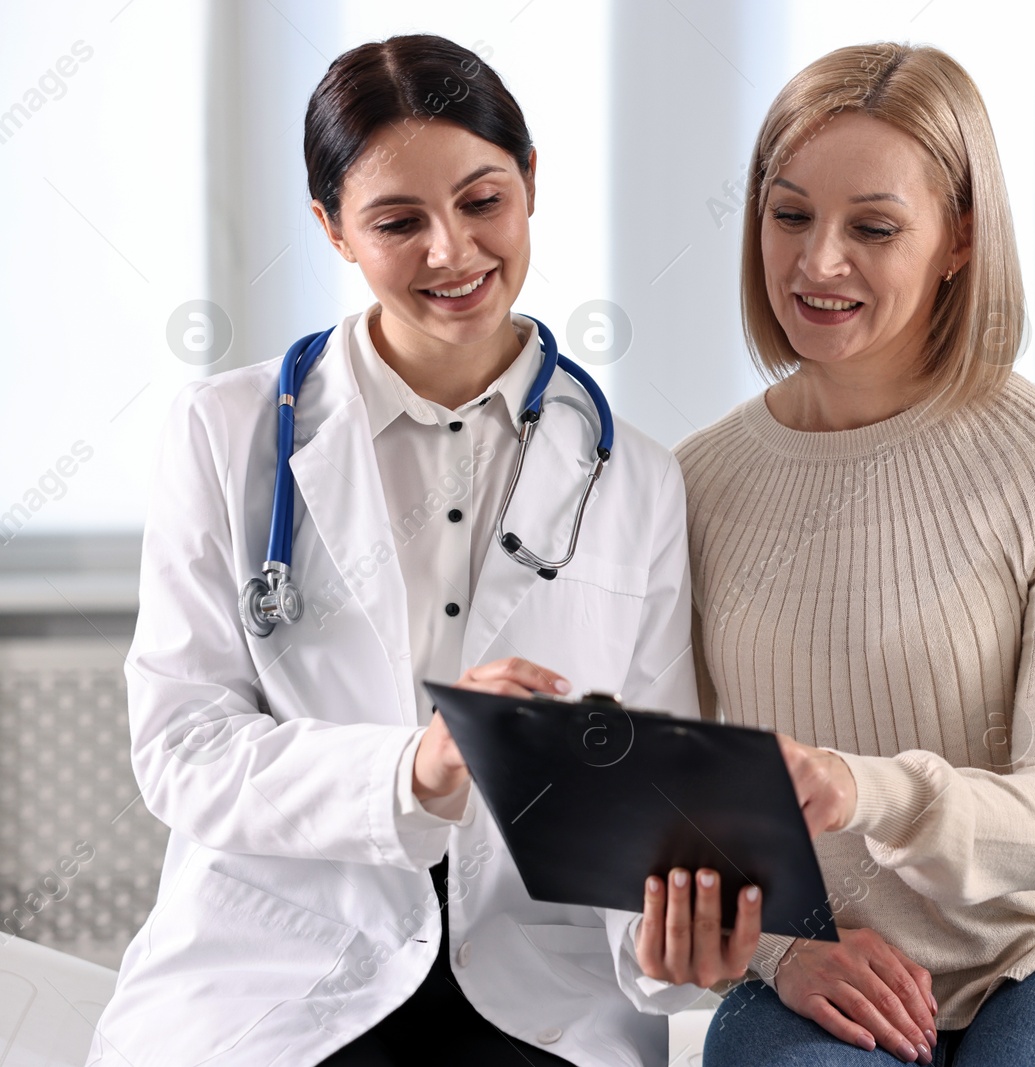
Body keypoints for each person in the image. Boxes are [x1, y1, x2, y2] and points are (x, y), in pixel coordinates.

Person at [87, 35, 751, 1067]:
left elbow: (650, 778)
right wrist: (412, 770)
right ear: (333, 230)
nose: (452, 252)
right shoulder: (228, 434)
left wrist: (677, 939)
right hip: (285, 961)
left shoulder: (635, 477)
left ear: (531, 183)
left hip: (535, 979)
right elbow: (182, 745)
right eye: (398, 222)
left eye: (483, 201)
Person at [671, 43, 1035, 1066]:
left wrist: (861, 787)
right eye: (789, 215)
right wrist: (786, 950)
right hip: (822, 957)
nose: (815, 261)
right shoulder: (694, 484)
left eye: (872, 227)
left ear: (960, 238)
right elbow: (681, 801)